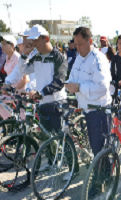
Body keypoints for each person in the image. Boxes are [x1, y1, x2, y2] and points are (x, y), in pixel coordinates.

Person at [8, 24, 79, 180]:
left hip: (56, 103)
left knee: (63, 136)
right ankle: (52, 159)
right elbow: (24, 70)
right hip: (41, 103)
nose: (33, 44)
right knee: (46, 135)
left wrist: (41, 93)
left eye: (35, 41)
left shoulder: (59, 57)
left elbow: (59, 82)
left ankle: (73, 168)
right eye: (31, 42)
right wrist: (24, 54)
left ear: (45, 38)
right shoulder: (36, 55)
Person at [66, 27, 111, 190]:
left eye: (80, 44)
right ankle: (104, 178)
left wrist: (78, 87)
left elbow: (102, 88)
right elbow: (72, 78)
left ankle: (99, 184)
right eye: (75, 44)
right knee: (96, 148)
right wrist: (70, 87)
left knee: (99, 150)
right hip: (87, 110)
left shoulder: (99, 59)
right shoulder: (79, 57)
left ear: (90, 41)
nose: (77, 48)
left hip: (98, 111)